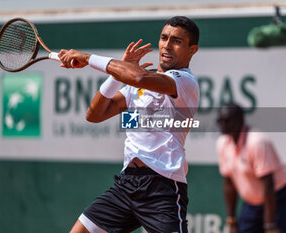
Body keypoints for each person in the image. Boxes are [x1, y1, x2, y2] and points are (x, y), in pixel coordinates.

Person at [58, 16, 200, 233]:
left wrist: (87, 58)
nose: (167, 45)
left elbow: (139, 78)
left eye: (177, 41)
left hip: (163, 187)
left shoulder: (184, 81)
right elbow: (94, 115)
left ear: (192, 50)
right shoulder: (136, 84)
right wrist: (117, 75)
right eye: (164, 38)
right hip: (126, 185)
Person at [216, 103, 286, 233]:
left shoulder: (257, 142)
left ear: (241, 120)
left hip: (280, 194)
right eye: (219, 120)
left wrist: (270, 225)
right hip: (253, 201)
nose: (222, 124)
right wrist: (231, 221)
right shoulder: (222, 143)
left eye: (227, 120)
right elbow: (229, 184)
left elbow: (269, 185)